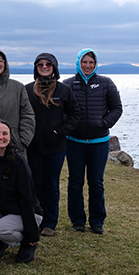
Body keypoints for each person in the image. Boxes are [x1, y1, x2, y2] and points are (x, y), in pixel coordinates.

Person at [63, 48, 122, 235]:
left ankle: (97, 222)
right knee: (75, 183)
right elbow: (62, 111)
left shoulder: (106, 83)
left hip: (99, 142)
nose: (87, 66)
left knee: (96, 183)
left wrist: (102, 123)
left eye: (91, 62)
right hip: (74, 142)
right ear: (78, 63)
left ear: (96, 64)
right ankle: (77, 221)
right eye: (84, 62)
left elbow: (116, 108)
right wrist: (69, 127)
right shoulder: (68, 84)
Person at [24, 53, 81, 237]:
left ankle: (50, 222)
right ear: (36, 68)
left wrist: (60, 131)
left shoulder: (64, 90)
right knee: (36, 184)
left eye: (48, 64)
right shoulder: (27, 90)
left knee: (52, 184)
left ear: (54, 67)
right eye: (40, 64)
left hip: (56, 147)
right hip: (33, 146)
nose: (44, 66)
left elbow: (75, 115)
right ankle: (38, 219)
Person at [0, 120, 43, 263]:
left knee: (0, 229)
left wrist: (32, 234)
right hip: (1, 210)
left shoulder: (19, 162)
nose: (1, 137)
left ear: (10, 137)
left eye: (5, 134)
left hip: (26, 212)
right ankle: (0, 243)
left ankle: (27, 244)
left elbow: (27, 198)